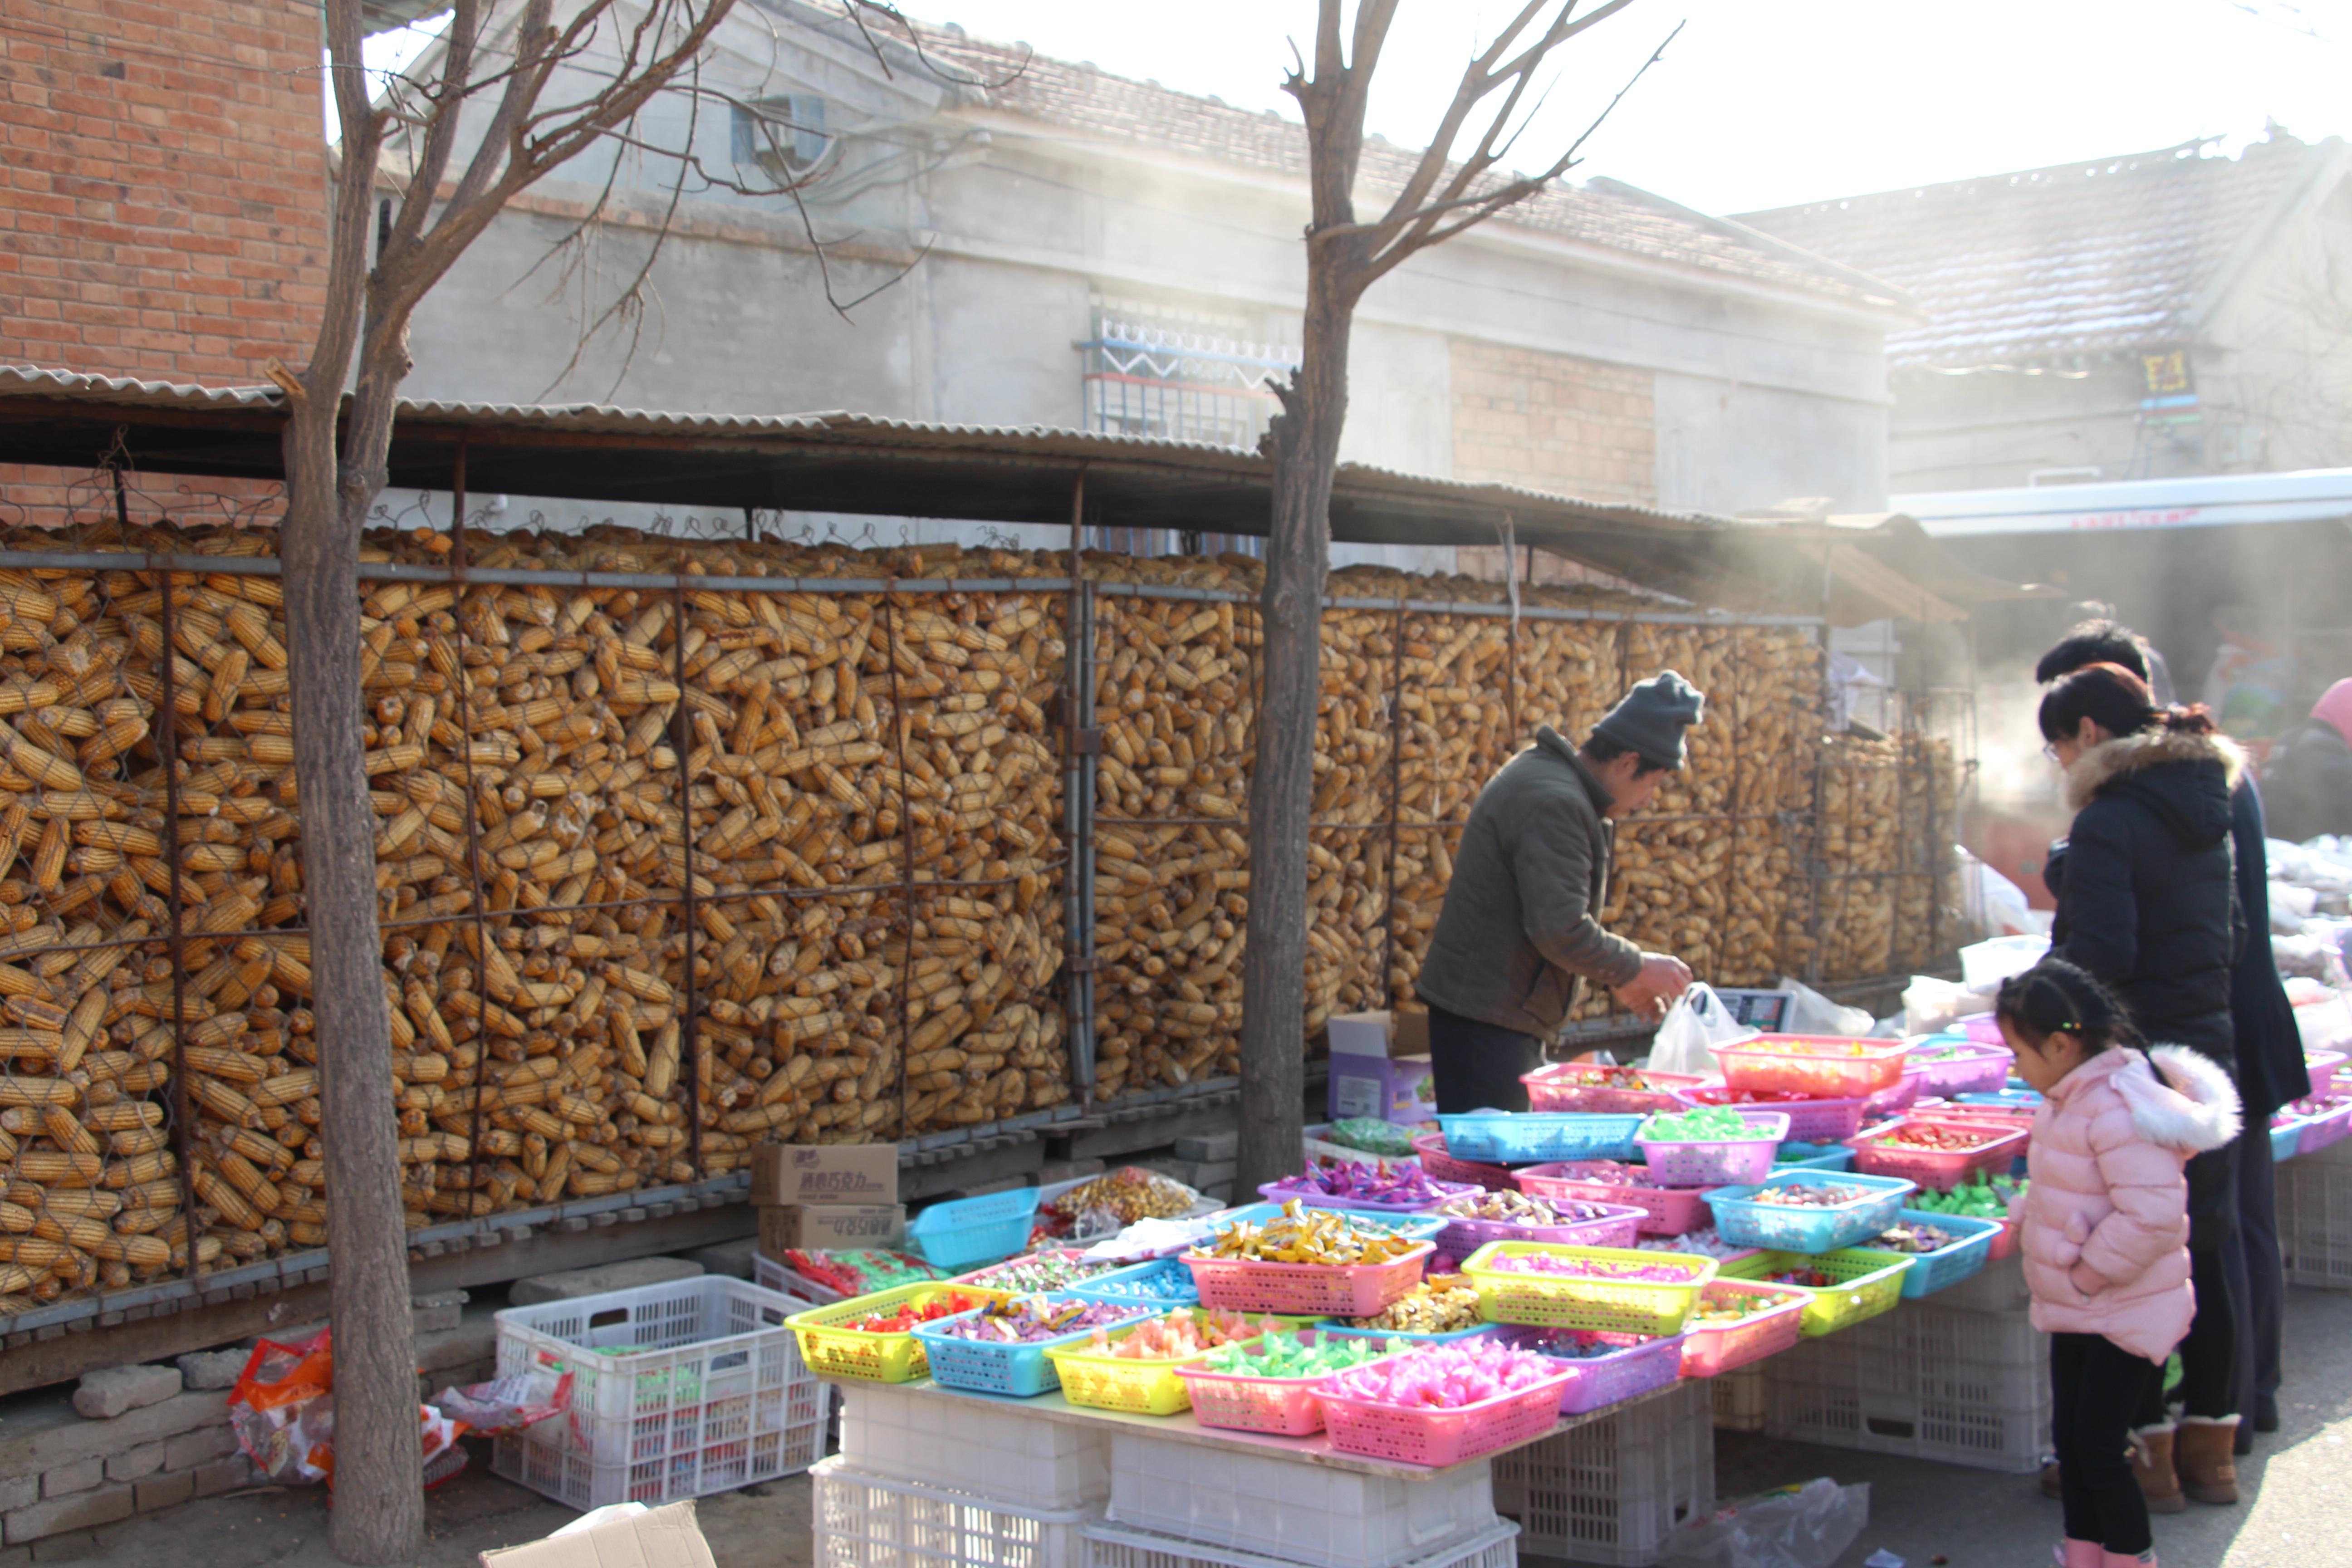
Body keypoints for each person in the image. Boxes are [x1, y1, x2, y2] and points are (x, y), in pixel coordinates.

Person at [2038, 622, 2306, 1452]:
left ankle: (2140, 1444)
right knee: (2210, 1238)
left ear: (2087, 734)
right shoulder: (2205, 798)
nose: (2055, 768)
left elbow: (2103, 954)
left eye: (2054, 749)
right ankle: (2215, 1435)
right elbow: (2218, 929)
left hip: (2140, 1063)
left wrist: (2042, 1002)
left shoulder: (2110, 818)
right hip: (2209, 1051)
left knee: (2134, 1251)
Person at [1999, 958, 2242, 1568]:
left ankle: (2132, 1558)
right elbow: (2074, 1185)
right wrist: (2030, 1214)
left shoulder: (2117, 1106)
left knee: (2101, 1451)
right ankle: (2085, 1557)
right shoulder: (2068, 1097)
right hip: (2079, 1306)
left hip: (2122, 1308)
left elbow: (2152, 1217)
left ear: (2060, 1044)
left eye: (2018, 1053)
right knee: (2074, 1447)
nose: (2014, 1067)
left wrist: (2085, 1273)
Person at [1415, 671, 1701, 1114]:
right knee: (1496, 1169)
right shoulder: (1556, 803)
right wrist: (1636, 967)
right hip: (1487, 1018)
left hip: (1492, 1011)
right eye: (1653, 783)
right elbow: (1560, 928)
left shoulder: (1550, 779)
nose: (1650, 798)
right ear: (1628, 762)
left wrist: (1620, 976)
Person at [2260, 678, 2352, 844]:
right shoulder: (2319, 746)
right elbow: (2338, 805)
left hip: (2282, 843)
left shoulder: (2295, 737)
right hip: (2303, 848)